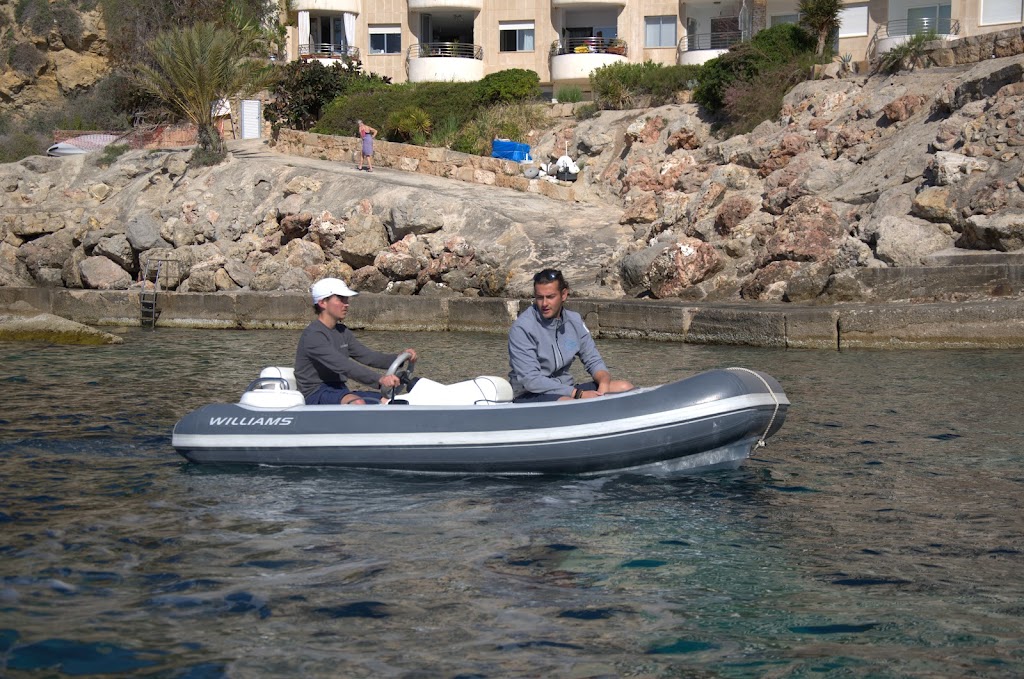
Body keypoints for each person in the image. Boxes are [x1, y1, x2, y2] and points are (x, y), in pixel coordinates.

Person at [508, 268, 633, 403]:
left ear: (563, 295)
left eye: (550, 297)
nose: (544, 304)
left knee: (624, 387)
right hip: (529, 393)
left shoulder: (575, 321)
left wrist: (603, 384)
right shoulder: (522, 328)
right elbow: (531, 380)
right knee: (567, 402)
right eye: (539, 297)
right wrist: (577, 393)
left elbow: (593, 361)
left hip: (566, 389)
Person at [295, 277, 417, 405]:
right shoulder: (313, 336)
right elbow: (343, 366)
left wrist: (400, 358)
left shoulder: (342, 331)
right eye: (340, 299)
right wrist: (380, 379)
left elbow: (368, 356)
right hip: (315, 393)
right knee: (357, 403)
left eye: (346, 299)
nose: (346, 303)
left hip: (339, 390)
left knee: (387, 401)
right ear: (322, 303)